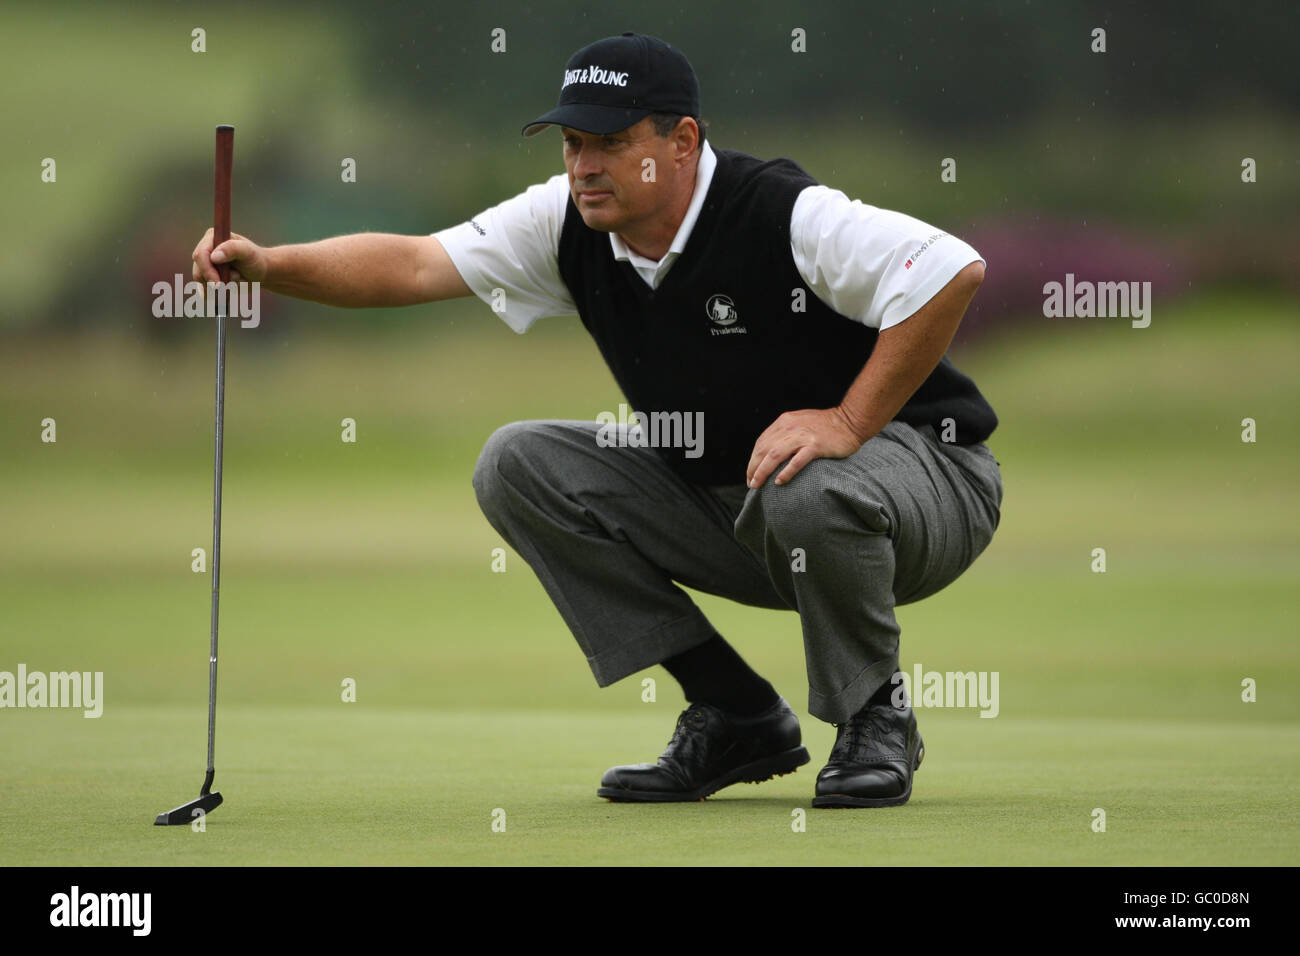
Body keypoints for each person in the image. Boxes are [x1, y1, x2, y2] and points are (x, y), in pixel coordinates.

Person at [191, 32, 1003, 809]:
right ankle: (735, 716)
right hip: (745, 506)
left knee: (808, 475)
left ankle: (874, 719)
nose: (584, 167)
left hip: (928, 483)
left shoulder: (784, 213)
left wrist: (849, 420)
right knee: (517, 462)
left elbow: (947, 269)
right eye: (572, 144)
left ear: (682, 141)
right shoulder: (568, 223)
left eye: (609, 143)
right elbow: (415, 263)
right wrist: (268, 267)